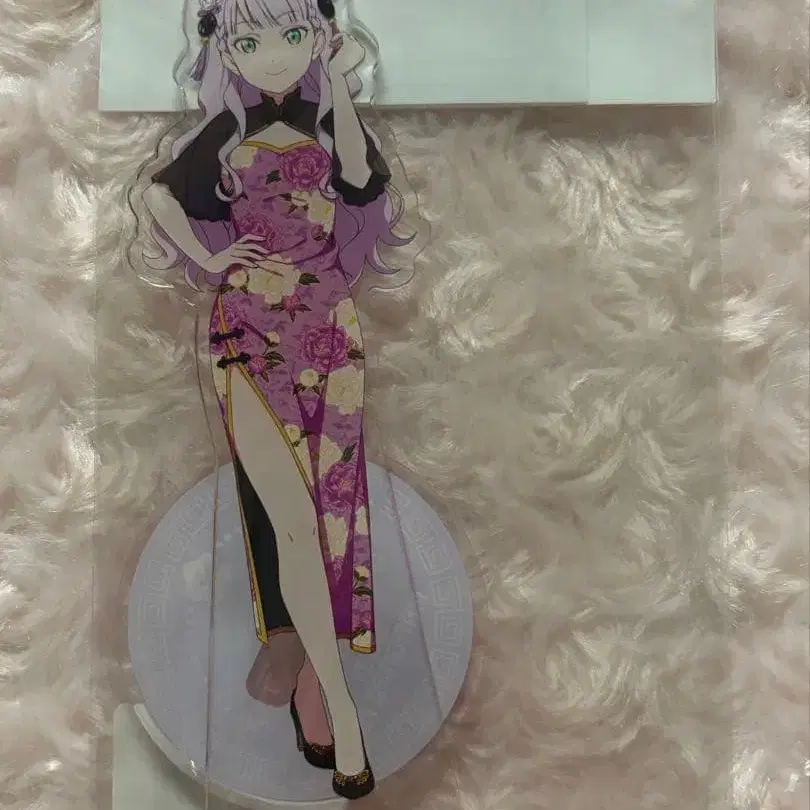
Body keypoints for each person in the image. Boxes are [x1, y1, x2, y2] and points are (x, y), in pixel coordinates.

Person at [142, 0, 408, 798]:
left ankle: (313, 683)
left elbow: (359, 178)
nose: (274, 55)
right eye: (250, 40)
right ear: (227, 50)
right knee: (293, 526)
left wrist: (342, 83)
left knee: (331, 520)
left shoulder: (330, 129)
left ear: (321, 38)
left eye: (294, 35)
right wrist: (210, 260)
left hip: (329, 333)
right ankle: (343, 712)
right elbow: (156, 197)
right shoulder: (223, 136)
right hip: (247, 338)